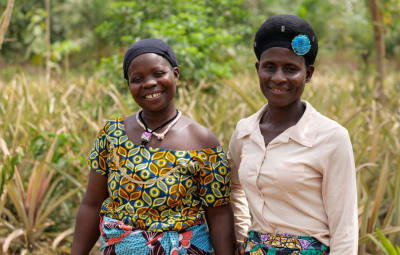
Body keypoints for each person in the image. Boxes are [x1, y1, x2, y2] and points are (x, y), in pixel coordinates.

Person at [71, 38, 235, 255]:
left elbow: (219, 214)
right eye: (137, 78)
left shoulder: (203, 142)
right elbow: (92, 204)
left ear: (175, 74)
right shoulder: (112, 135)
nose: (149, 83)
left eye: (158, 74)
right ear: (129, 85)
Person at [229, 15, 358, 254]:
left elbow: (345, 226)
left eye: (290, 69)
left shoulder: (331, 137)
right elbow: (233, 186)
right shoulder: (244, 131)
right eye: (270, 67)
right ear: (258, 69)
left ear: (308, 74)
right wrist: (242, 233)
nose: (278, 78)